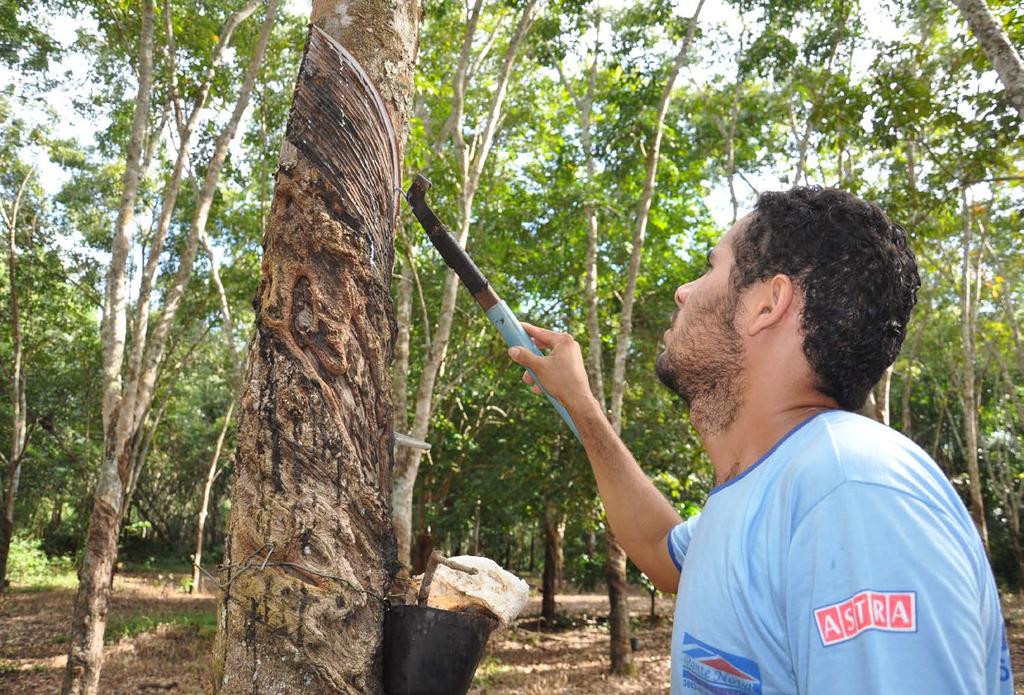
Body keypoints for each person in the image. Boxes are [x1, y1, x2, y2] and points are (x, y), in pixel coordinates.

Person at [507, 186, 1012, 694]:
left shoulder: (852, 490)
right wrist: (581, 406)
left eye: (709, 267)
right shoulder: (776, 486)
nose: (684, 291)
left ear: (768, 305)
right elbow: (660, 552)